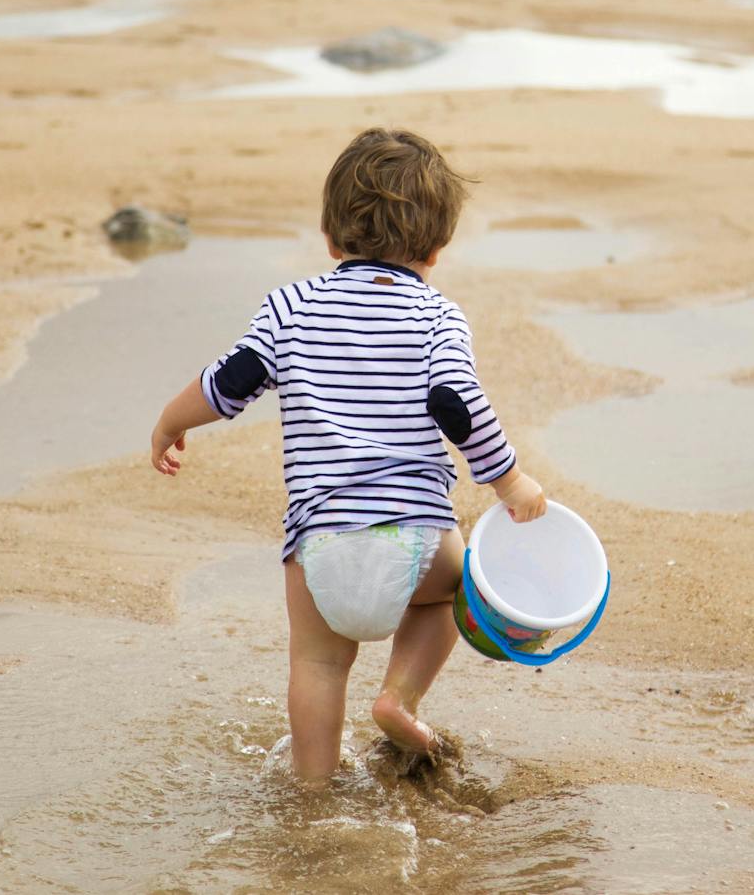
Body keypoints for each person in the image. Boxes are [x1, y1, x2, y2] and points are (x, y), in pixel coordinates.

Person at [148, 127, 546, 782]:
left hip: (321, 542)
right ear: (438, 248)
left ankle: (312, 790)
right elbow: (455, 400)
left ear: (331, 238)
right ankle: (398, 698)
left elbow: (233, 379)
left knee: (316, 663)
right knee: (451, 593)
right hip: (415, 535)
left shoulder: (291, 306)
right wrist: (509, 480)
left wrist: (170, 419)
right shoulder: (438, 315)